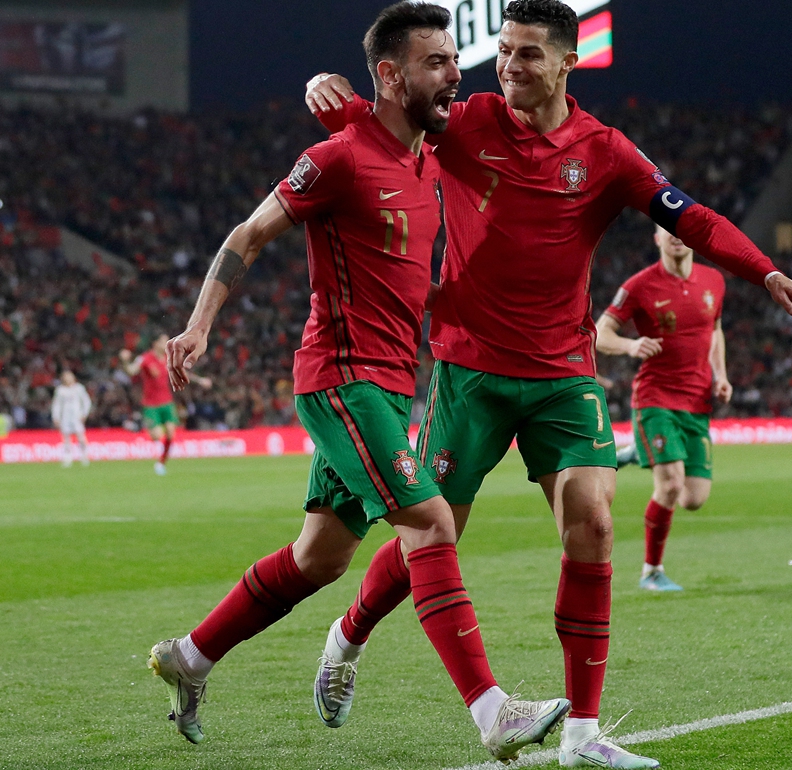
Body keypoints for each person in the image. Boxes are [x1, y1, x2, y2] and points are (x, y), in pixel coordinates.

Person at [304, 2, 792, 766]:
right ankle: (350, 634)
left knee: (595, 522)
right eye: (504, 51)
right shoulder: (465, 121)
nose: (509, 65)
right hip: (469, 369)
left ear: (567, 64)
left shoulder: (604, 152)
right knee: (432, 534)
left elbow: (695, 219)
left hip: (561, 372)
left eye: (528, 55)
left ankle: (583, 734)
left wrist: (766, 270)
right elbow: (381, 124)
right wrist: (330, 91)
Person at [148, 4, 567, 761]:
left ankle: (191, 657)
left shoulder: (426, 157)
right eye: (437, 62)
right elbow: (248, 235)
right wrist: (199, 324)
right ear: (391, 73)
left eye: (452, 60)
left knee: (323, 556)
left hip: (386, 383)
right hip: (341, 379)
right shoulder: (336, 159)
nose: (454, 75)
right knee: (432, 524)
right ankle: (492, 711)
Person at [597, 226, 729, 592]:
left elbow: (715, 331)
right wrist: (630, 345)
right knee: (669, 485)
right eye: (666, 229)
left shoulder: (714, 281)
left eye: (684, 229)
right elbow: (600, 332)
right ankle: (651, 572)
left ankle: (639, 450)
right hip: (656, 398)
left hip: (698, 401)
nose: (676, 235)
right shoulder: (639, 285)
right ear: (655, 238)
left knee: (693, 499)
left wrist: (720, 374)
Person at [120, 335, 211, 475]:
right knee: (156, 436)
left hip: (167, 402)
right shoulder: (145, 358)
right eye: (163, 341)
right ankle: (149, 426)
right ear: (155, 343)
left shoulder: (168, 359)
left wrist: (200, 381)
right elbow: (131, 371)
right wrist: (125, 361)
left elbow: (182, 372)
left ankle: (161, 462)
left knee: (170, 435)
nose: (167, 344)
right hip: (150, 405)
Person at [51, 369, 92, 467]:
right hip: (65, 417)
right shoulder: (60, 390)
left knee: (80, 437)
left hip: (77, 416)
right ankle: (67, 457)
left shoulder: (79, 388)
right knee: (66, 438)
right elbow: (56, 405)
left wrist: (84, 414)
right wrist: (56, 417)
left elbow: (86, 402)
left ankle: (84, 456)